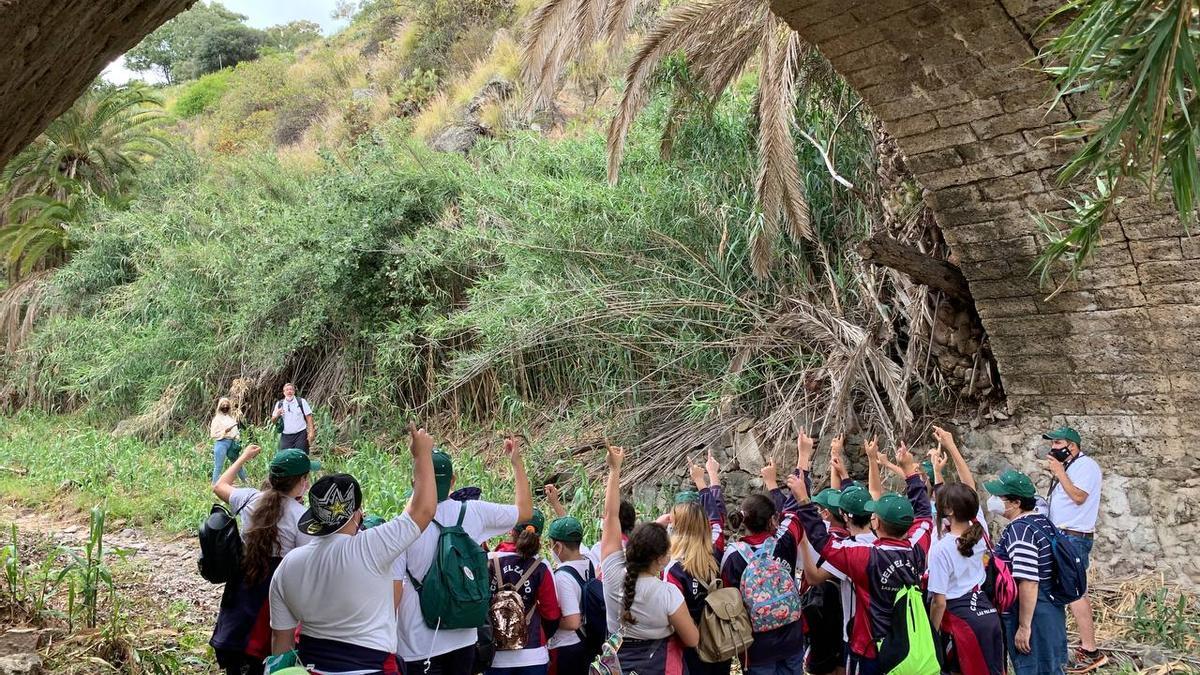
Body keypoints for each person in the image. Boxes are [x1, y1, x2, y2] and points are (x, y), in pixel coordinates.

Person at [267, 424, 437, 674]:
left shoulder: (289, 565)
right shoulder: (371, 547)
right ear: (357, 513)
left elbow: (280, 646)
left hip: (313, 668)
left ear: (315, 517)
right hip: (370, 668)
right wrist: (422, 455)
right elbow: (423, 511)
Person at [792, 437, 934, 675]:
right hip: (908, 644)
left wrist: (804, 502)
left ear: (876, 520)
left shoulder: (865, 556)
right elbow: (925, 517)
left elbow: (825, 543)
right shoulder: (917, 548)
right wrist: (910, 471)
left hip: (869, 648)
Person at [394, 437, 534, 675]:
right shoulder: (473, 512)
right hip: (464, 636)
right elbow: (525, 511)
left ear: (413, 480)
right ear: (453, 481)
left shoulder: (402, 525)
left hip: (418, 643)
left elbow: (395, 591)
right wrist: (516, 462)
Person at [209, 445, 319, 675]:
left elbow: (219, 485)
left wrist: (243, 457)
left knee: (237, 656)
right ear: (301, 482)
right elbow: (305, 567)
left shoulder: (249, 497)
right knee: (260, 656)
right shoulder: (301, 517)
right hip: (270, 597)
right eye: (306, 479)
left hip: (241, 587)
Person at [600, 445, 698, 675]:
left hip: (617, 666)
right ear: (662, 558)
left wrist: (615, 470)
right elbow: (692, 639)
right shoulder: (668, 594)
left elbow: (610, 516)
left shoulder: (612, 573)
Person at [722, 435, 809, 675]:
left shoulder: (732, 556)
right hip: (792, 637)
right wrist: (803, 457)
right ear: (773, 520)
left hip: (757, 646)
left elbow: (731, 601)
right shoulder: (785, 540)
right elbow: (795, 504)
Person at [985, 469, 1067, 675]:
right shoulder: (1041, 522)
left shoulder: (1020, 531)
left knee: (1036, 668)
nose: (994, 499)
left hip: (1034, 612)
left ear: (1015, 503)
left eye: (1000, 496)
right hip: (1050, 608)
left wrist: (1024, 626)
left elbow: (1029, 581)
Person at [1041, 427, 1106, 674]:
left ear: (1073, 446)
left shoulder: (1086, 466)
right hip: (1061, 536)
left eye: (1057, 442)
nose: (1053, 447)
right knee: (1063, 590)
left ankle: (1091, 651)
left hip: (1074, 537)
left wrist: (1059, 472)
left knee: (1076, 591)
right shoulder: (1069, 469)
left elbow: (1079, 497)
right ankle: (1070, 647)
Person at [927, 483, 1004, 675]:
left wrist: (931, 635)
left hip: (961, 620)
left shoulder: (941, 549)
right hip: (988, 613)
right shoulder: (980, 532)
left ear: (949, 510)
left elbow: (939, 602)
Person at [664, 453, 730, 675]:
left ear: (675, 523)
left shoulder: (671, 567)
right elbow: (717, 515)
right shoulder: (716, 549)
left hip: (691, 648)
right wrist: (709, 478)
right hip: (720, 641)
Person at [487, 512, 562, 675]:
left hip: (495, 655)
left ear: (511, 531)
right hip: (533, 654)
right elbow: (551, 613)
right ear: (539, 538)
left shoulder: (490, 560)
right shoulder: (541, 566)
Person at [545, 516, 591, 675]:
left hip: (567, 647)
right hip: (587, 642)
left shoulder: (562, 576)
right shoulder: (589, 562)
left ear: (558, 546)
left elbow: (572, 622)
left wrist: (545, 620)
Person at [210, 397, 246, 484]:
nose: (225, 407)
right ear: (220, 406)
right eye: (223, 405)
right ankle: (214, 485)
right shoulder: (217, 419)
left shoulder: (231, 418)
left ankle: (246, 481)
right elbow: (213, 434)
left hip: (232, 442)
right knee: (218, 466)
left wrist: (237, 438)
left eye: (227, 405)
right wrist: (224, 431)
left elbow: (236, 431)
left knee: (237, 464)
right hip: (221, 442)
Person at [271, 383, 314, 453]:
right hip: (285, 436)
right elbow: (273, 421)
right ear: (284, 392)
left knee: (301, 455)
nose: (289, 391)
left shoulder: (301, 402)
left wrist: (311, 432)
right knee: (286, 457)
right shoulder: (279, 404)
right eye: (287, 390)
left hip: (301, 434)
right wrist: (277, 415)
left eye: (291, 389)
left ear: (294, 391)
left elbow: (309, 417)